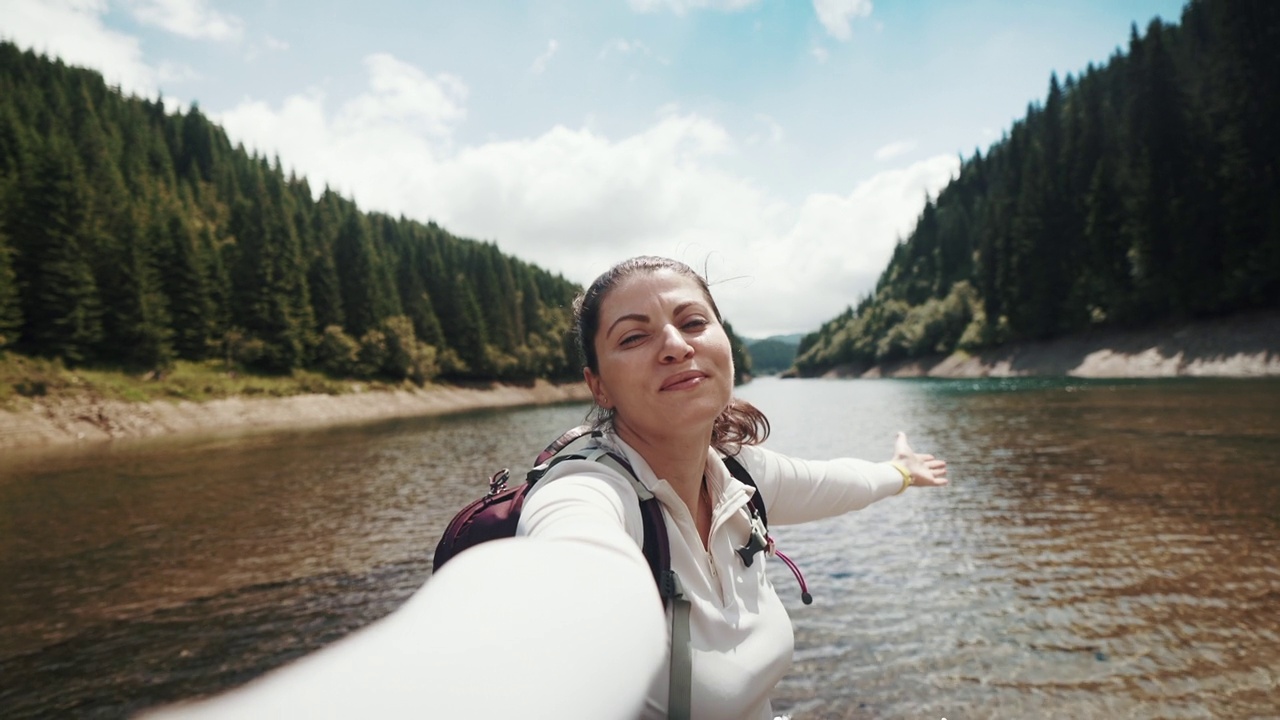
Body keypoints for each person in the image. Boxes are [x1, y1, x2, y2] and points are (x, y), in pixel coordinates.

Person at [516, 255, 948, 720]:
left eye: (693, 322)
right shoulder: (587, 489)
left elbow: (843, 482)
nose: (676, 346)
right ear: (598, 386)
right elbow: (564, 547)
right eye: (634, 336)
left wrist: (902, 472)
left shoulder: (738, 475)